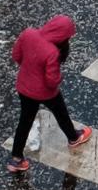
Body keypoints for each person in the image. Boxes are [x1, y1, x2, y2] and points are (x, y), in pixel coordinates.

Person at [8, 14, 91, 172]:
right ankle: (73, 137)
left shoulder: (28, 34)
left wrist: (28, 69)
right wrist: (60, 76)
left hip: (24, 88)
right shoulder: (52, 52)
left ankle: (16, 159)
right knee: (61, 113)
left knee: (24, 122)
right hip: (46, 93)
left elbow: (16, 56)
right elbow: (52, 80)